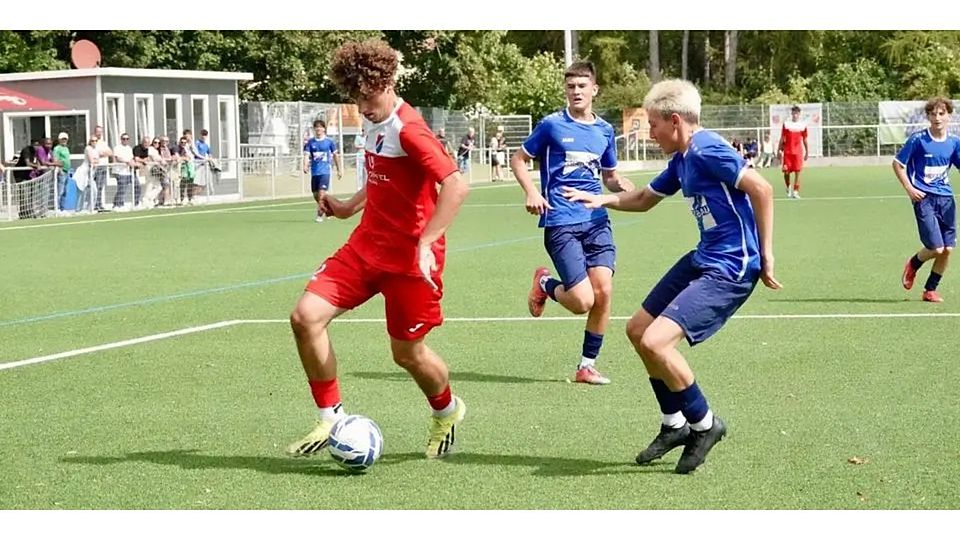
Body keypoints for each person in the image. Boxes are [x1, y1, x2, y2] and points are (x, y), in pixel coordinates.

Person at [563, 79, 781, 474]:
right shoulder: (683, 159)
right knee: (636, 330)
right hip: (704, 257)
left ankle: (705, 424)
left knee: (657, 342)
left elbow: (762, 189)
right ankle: (674, 424)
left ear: (675, 121)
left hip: (730, 267)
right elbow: (645, 199)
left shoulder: (708, 149)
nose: (649, 133)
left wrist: (765, 254)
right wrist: (603, 198)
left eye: (653, 125)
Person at [286, 39, 470, 460]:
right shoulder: (374, 123)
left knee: (407, 354)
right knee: (305, 317)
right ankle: (330, 415)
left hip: (411, 263)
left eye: (368, 98)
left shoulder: (410, 129)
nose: (363, 108)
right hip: (366, 248)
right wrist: (350, 206)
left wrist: (426, 241)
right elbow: (381, 175)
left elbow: (457, 184)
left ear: (387, 84)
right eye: (356, 99)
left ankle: (447, 410)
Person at [510, 61, 635, 385]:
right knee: (582, 301)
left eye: (582, 86)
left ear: (594, 90)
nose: (576, 92)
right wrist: (531, 191)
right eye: (571, 87)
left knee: (604, 291)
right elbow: (518, 159)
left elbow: (607, 176)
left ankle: (586, 366)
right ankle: (545, 285)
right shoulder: (551, 125)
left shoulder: (605, 131)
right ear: (565, 90)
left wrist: (618, 183)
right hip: (561, 221)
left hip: (596, 219)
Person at [896, 96, 960, 303]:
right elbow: (898, 164)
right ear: (928, 116)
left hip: (946, 199)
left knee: (947, 249)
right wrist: (909, 188)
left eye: (941, 113)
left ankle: (930, 290)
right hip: (923, 198)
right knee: (936, 248)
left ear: (949, 116)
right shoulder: (918, 140)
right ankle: (913, 264)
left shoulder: (954, 142)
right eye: (933, 114)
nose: (937, 118)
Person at [303, 119, 342, 222]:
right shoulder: (311, 142)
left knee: (321, 195)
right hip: (314, 173)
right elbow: (306, 155)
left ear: (324, 129)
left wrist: (339, 169)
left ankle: (319, 215)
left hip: (325, 172)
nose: (318, 129)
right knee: (316, 195)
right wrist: (305, 165)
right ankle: (328, 208)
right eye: (316, 127)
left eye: (320, 127)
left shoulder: (329, 142)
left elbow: (335, 155)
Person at [778, 105, 808, 199]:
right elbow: (782, 138)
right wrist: (779, 149)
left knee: (798, 172)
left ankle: (795, 191)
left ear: (799, 114)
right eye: (793, 113)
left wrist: (807, 151)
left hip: (798, 152)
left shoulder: (803, 125)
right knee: (786, 172)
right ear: (791, 114)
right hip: (788, 152)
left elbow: (805, 139)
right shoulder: (787, 124)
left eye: (797, 113)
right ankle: (788, 187)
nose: (795, 115)